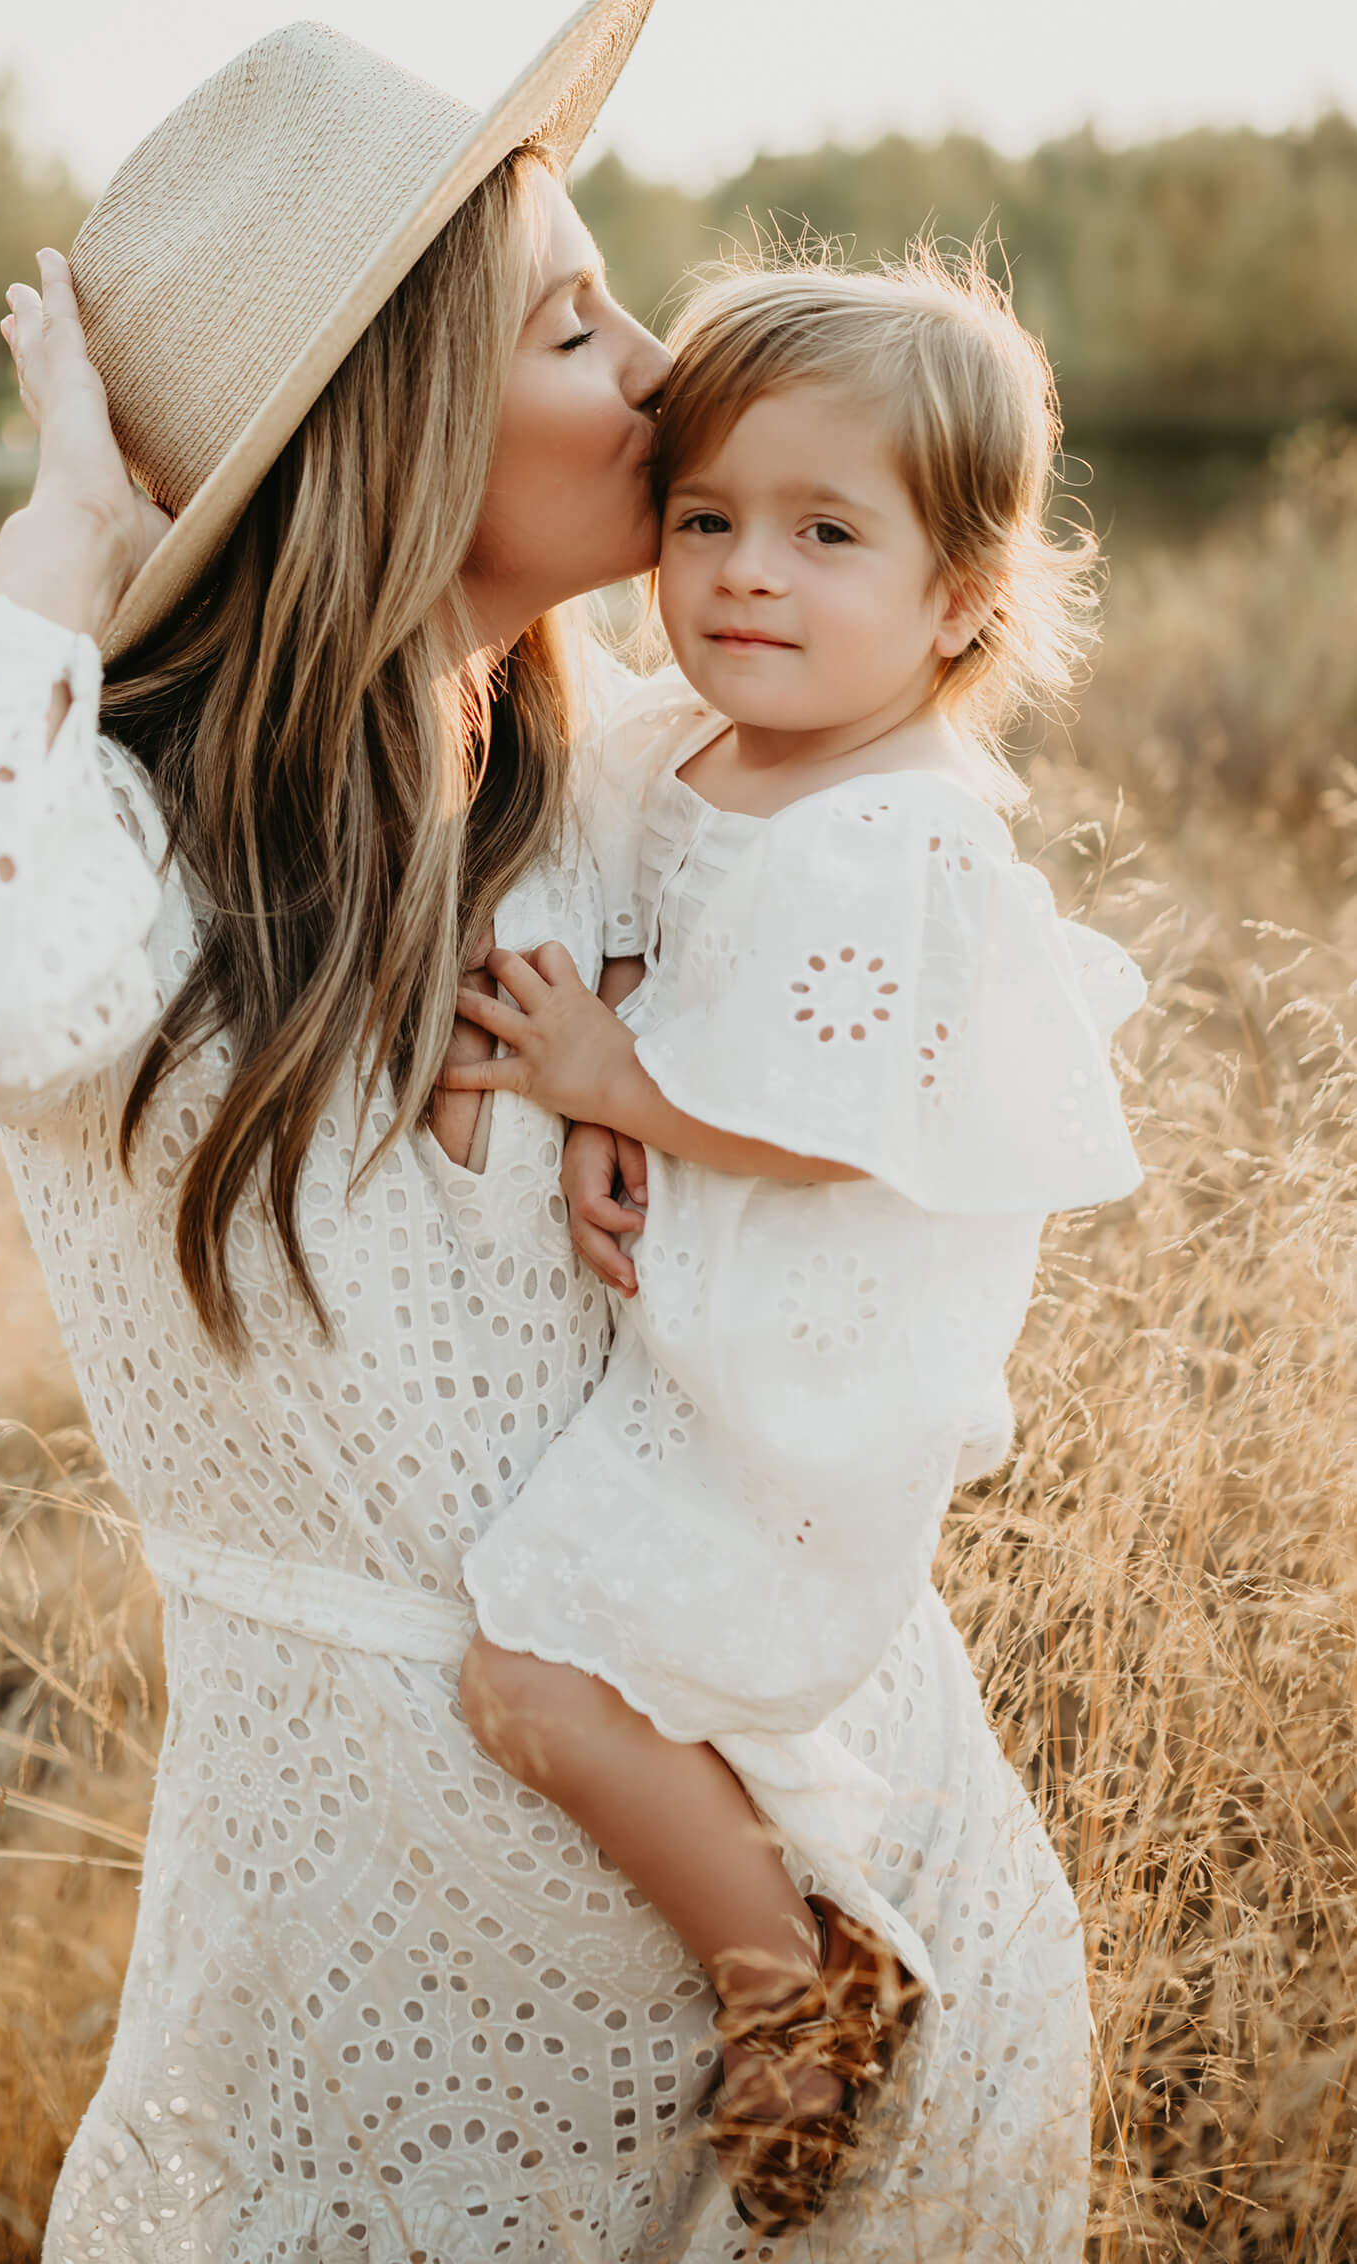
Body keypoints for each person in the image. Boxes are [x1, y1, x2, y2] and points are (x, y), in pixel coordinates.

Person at [0, 0, 1102, 2261]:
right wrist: (72, 530)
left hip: (861, 1889)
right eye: (569, 330)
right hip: (390, 2000)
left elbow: (916, 952)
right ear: (385, 426)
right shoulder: (144, 875)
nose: (657, 372)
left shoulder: (617, 778)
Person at [450, 256, 1145, 2245]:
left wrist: (624, 1084)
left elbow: (838, 1106)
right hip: (715, 1320)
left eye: (821, 533)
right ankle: (792, 1913)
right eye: (703, 519)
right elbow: (632, 901)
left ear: (954, 600)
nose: (743, 573)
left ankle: (798, 1973)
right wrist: (600, 1044)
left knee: (535, 1675)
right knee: (598, 1665)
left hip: (810, 1354)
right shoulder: (695, 744)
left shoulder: (890, 832)